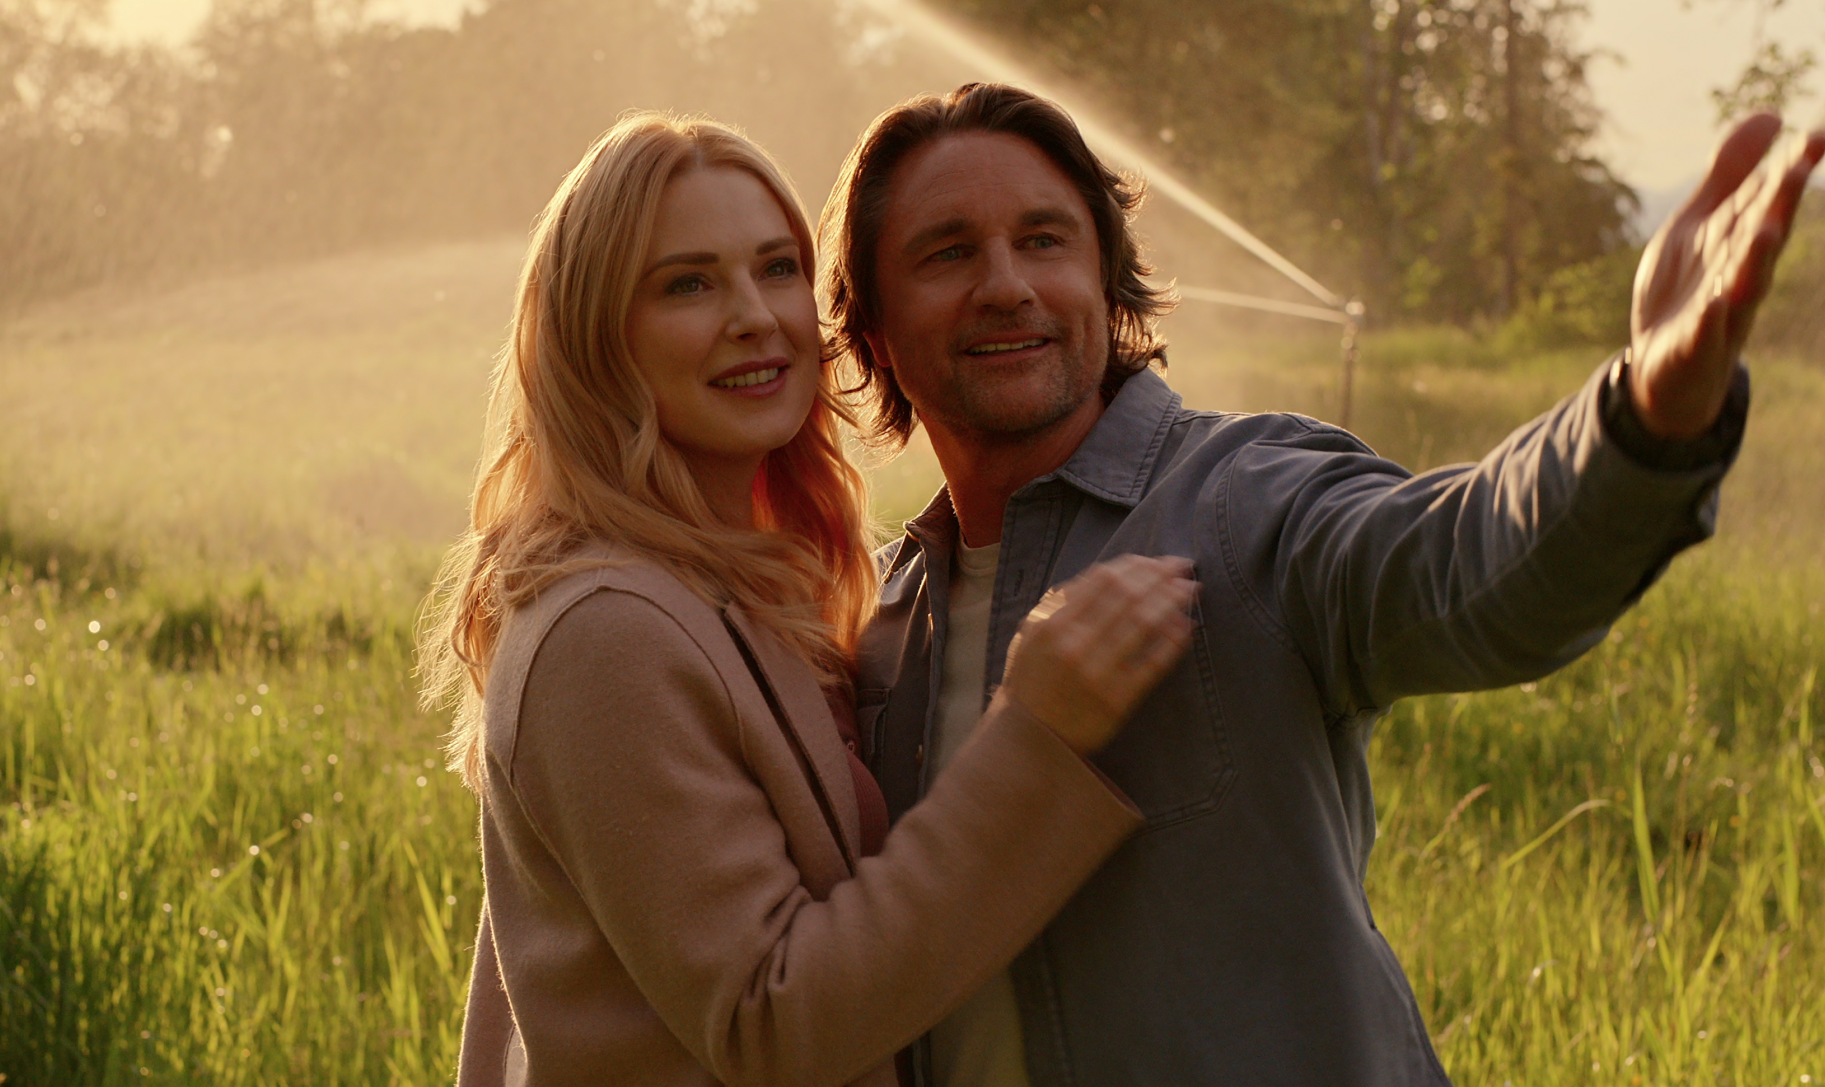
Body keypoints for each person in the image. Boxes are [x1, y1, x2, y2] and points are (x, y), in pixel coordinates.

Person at [821, 82, 1823, 1086]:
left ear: (1104, 278)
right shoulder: (880, 626)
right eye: (947, 252)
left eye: (1044, 240)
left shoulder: (1244, 499)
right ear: (870, 323)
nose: (1007, 284)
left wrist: (1645, 409)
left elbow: (1470, 562)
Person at [419, 112, 1202, 1087]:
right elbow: (770, 1026)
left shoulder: (736, 591)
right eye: (688, 284)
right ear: (593, 339)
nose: (755, 314)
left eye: (777, 267)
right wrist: (1036, 736)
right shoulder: (604, 632)